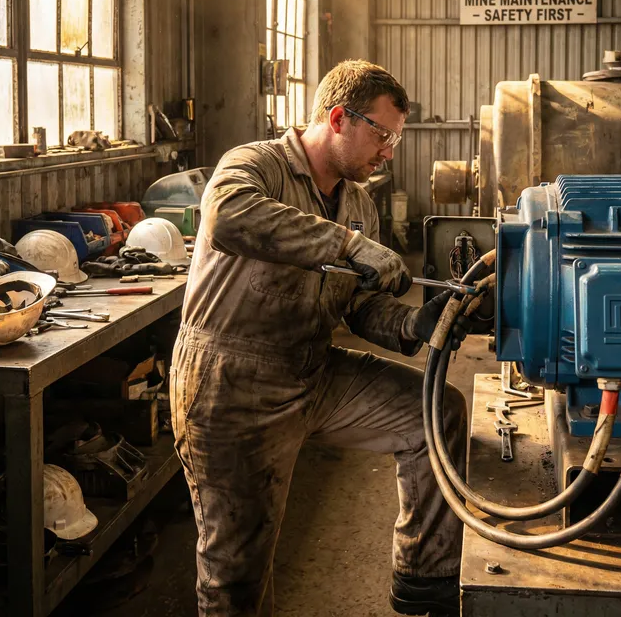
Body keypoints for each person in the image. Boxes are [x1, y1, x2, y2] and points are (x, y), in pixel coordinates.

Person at [171, 59, 471, 617]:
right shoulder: (254, 165)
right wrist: (347, 246)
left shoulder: (357, 202)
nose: (390, 152)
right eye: (383, 135)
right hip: (231, 383)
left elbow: (357, 305)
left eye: (396, 138)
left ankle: (424, 578)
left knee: (436, 414)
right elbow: (227, 218)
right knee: (236, 574)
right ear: (338, 118)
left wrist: (411, 323)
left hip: (312, 370)